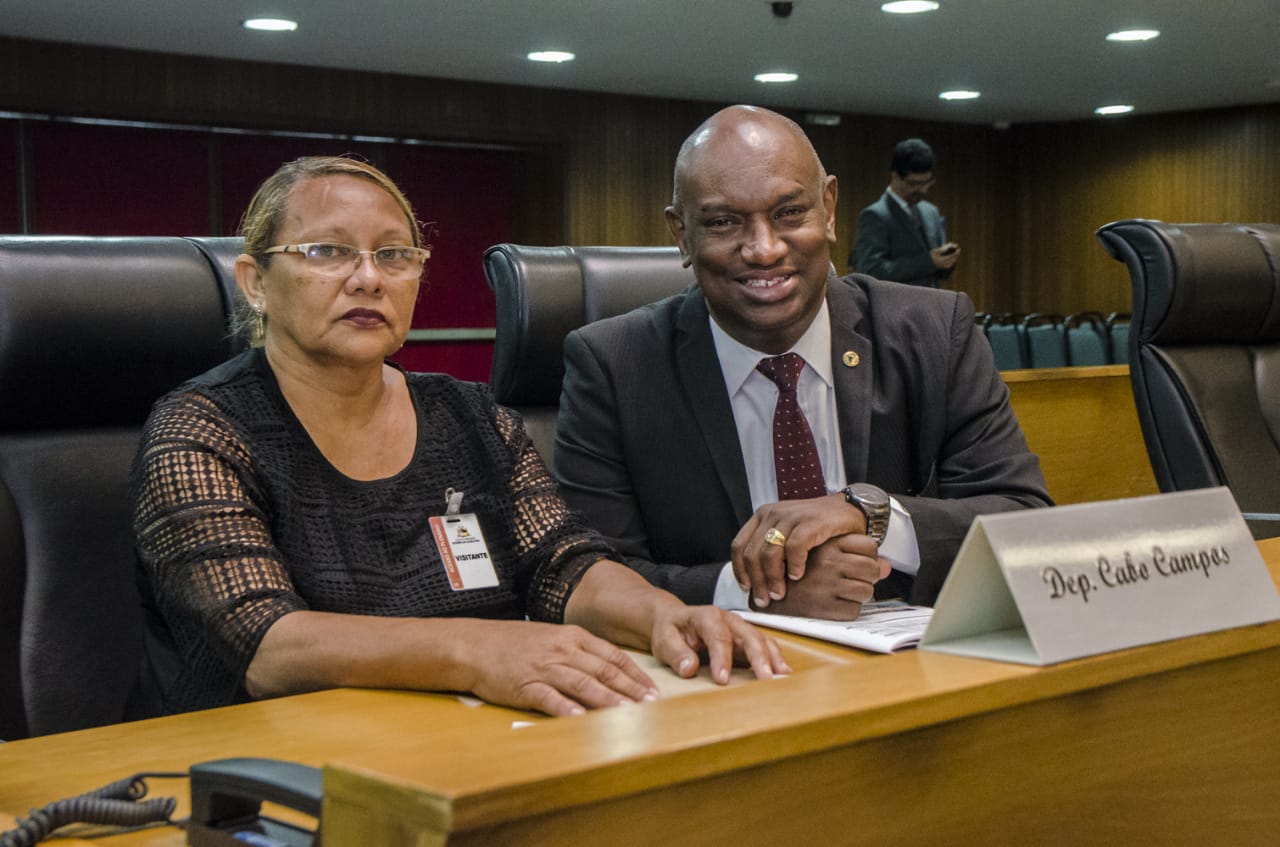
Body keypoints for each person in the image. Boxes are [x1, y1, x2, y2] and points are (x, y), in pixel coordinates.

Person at [129, 155, 787, 720]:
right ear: (256, 282)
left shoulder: (467, 414)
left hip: (461, 743)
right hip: (252, 774)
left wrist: (660, 613)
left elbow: (563, 565)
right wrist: (474, 650)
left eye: (394, 254)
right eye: (327, 252)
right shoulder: (201, 429)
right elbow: (266, 646)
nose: (367, 277)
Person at [555, 106, 1050, 619]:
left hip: (911, 665)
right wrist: (754, 590)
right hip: (718, 674)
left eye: (789, 213)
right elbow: (582, 572)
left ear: (829, 208)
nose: (764, 249)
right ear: (682, 234)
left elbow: (1023, 519)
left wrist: (869, 518)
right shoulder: (614, 367)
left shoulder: (932, 331)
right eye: (724, 222)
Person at [850, 138, 960, 287]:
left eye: (927, 183)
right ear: (895, 176)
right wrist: (929, 261)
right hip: (896, 307)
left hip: (932, 303)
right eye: (915, 184)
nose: (923, 190)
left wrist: (946, 260)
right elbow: (870, 270)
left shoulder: (931, 211)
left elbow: (938, 271)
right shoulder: (874, 215)